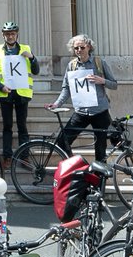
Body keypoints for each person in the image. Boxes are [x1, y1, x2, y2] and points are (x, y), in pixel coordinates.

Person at [49, 34, 118, 162]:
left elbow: (114, 84)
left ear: (89, 47)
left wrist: (102, 80)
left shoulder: (99, 63)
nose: (79, 50)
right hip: (81, 111)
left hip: (100, 111)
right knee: (62, 142)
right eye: (76, 48)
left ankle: (99, 179)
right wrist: (57, 104)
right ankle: (77, 166)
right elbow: (66, 88)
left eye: (82, 47)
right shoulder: (72, 65)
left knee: (100, 150)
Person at [0, 22, 39, 160]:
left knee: (22, 126)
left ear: (17, 35)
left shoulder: (25, 48)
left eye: (12, 34)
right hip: (6, 93)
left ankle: (24, 157)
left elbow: (36, 71)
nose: (10, 36)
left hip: (22, 93)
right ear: (3, 36)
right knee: (7, 126)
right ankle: (7, 157)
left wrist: (32, 58)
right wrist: (0, 86)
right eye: (7, 34)